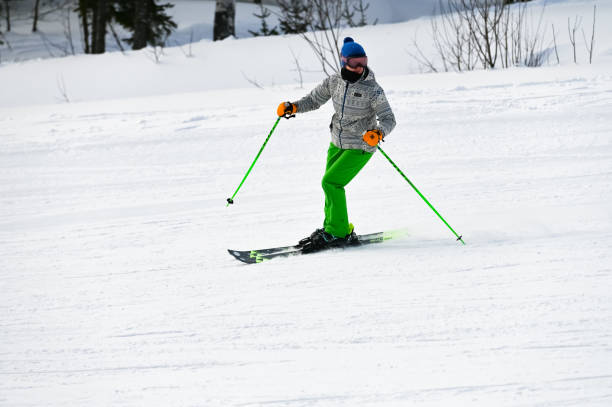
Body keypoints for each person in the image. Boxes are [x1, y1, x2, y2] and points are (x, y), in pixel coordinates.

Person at [278, 37, 396, 253]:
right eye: (355, 62)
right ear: (344, 62)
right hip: (337, 142)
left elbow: (389, 119)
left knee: (331, 183)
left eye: (364, 61)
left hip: (361, 145)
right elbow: (313, 100)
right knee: (329, 187)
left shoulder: (373, 90)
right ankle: (331, 227)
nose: (361, 67)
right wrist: (293, 107)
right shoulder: (334, 82)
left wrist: (378, 133)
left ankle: (338, 232)